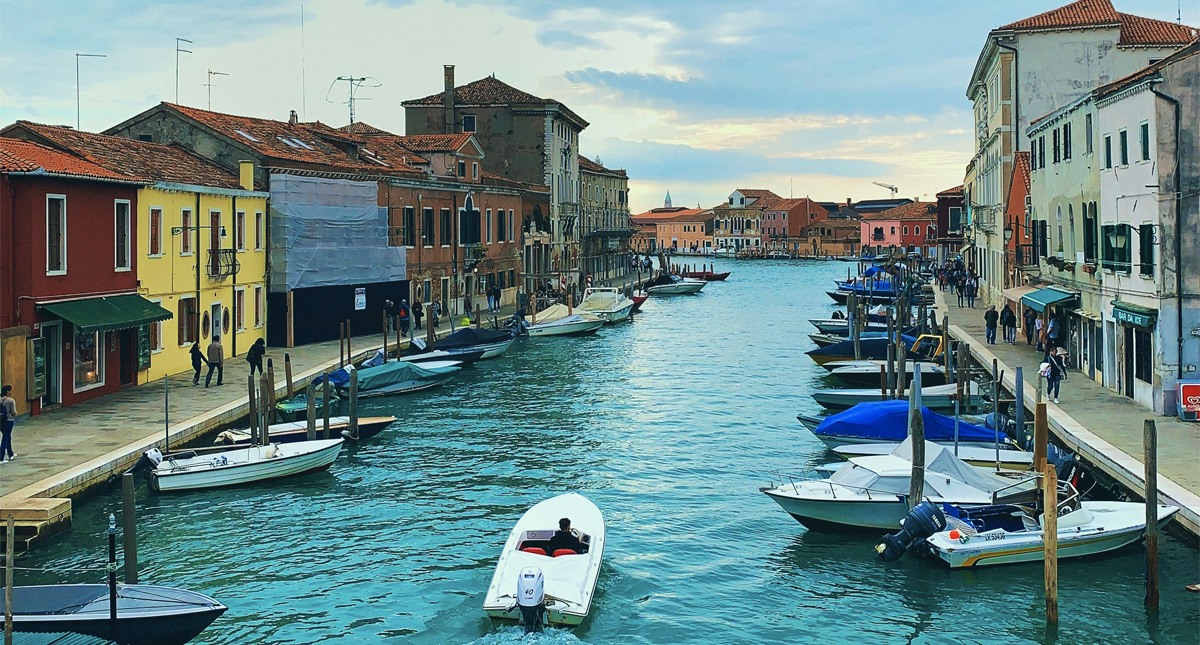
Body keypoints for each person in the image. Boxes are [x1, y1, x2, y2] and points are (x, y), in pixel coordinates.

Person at [0, 384, 16, 463]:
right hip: (9, 420)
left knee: (7, 437)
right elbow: (13, 412)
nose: (12, 392)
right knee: (5, 439)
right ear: (7, 391)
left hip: (1, 420)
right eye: (11, 390)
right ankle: (1, 457)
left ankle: (10, 454)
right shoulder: (10, 401)